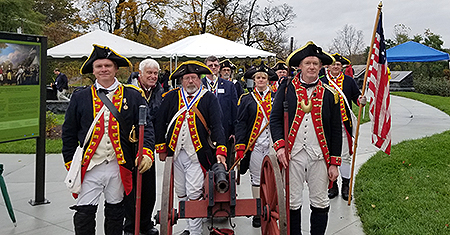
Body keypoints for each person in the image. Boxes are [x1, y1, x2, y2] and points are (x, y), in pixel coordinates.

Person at [62, 44, 155, 235]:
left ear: (115, 69)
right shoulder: (80, 97)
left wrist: (146, 152)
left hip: (118, 164)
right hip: (90, 166)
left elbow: (147, 128)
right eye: (99, 66)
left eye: (108, 65)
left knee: (115, 212)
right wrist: (71, 163)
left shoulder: (133, 96)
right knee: (84, 212)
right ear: (93, 71)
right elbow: (69, 133)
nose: (103, 69)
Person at [270, 41, 342, 235]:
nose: (312, 67)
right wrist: (280, 147)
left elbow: (336, 130)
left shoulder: (331, 95)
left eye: (315, 64)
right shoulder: (285, 91)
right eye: (308, 63)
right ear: (300, 66)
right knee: (292, 202)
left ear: (321, 67)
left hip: (319, 156)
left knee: (320, 202)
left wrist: (334, 162)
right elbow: (275, 119)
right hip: (293, 156)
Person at [155, 61, 227, 235]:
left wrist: (221, 150)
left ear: (199, 79)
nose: (190, 81)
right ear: (181, 81)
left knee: (193, 192)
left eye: (194, 78)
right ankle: (190, 226)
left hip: (198, 154)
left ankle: (194, 232)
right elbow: (159, 122)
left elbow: (217, 125)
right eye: (187, 78)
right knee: (181, 191)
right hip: (176, 153)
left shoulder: (209, 98)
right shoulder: (171, 97)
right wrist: (161, 147)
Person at [235, 62, 277, 228]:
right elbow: (241, 124)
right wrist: (240, 146)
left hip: (273, 144)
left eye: (264, 77)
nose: (261, 80)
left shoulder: (276, 97)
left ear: (268, 80)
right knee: (257, 179)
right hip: (255, 145)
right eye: (258, 77)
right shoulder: (245, 99)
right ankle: (258, 211)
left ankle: (272, 206)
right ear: (254, 80)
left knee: (274, 178)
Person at [123, 59, 162, 235]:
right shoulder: (128, 92)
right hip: (129, 145)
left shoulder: (158, 92)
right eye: (149, 73)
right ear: (140, 74)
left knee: (148, 188)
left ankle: (145, 223)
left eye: (155, 73)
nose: (153, 76)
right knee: (130, 188)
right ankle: (130, 225)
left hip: (148, 144)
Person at [321, 53, 366, 201]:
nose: (335, 67)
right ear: (328, 66)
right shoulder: (322, 81)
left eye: (338, 65)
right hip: (325, 125)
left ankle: (346, 186)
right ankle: (332, 185)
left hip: (343, 124)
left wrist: (361, 100)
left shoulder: (349, 81)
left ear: (342, 67)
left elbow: (356, 98)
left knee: (345, 156)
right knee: (328, 156)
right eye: (333, 64)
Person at [202, 56, 238, 168]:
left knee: (224, 166)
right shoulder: (199, 84)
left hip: (224, 131)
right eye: (210, 65)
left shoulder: (229, 85)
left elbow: (234, 109)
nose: (213, 68)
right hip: (204, 131)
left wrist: (234, 131)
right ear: (205, 67)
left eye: (216, 65)